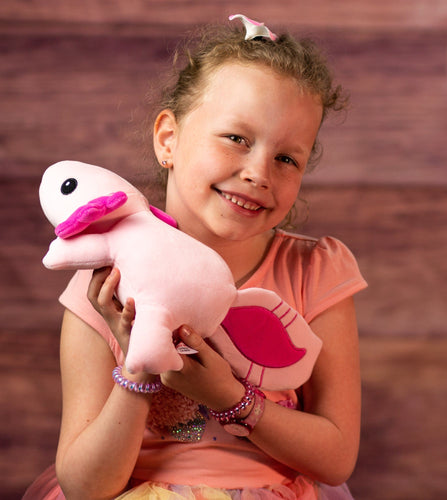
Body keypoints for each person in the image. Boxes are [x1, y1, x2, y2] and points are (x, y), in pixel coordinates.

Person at [24, 14, 367, 500]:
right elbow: (84, 486)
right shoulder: (101, 282)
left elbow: (335, 459)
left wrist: (231, 399)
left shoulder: (316, 271)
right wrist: (139, 367)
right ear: (168, 138)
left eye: (287, 158)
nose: (258, 173)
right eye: (237, 139)